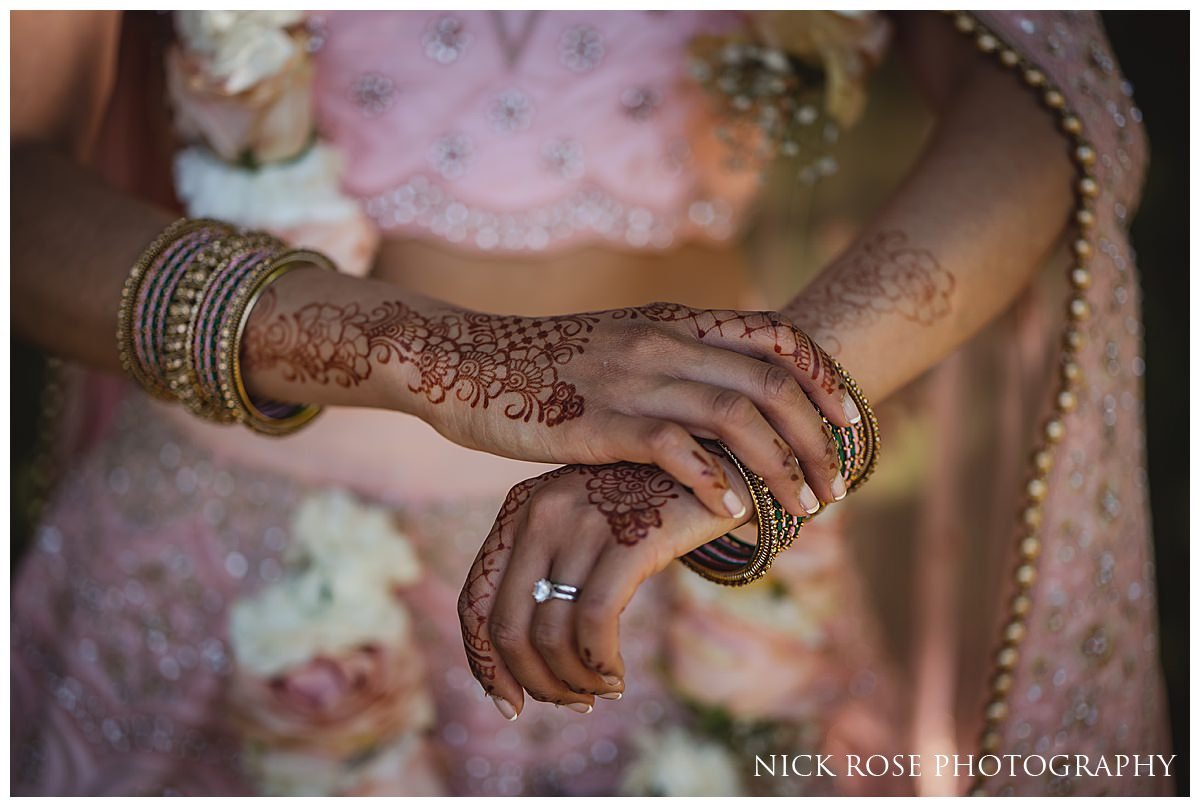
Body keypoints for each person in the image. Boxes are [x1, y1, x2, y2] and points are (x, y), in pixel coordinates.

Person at [11, 10, 1168, 796]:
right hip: (228, 548)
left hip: (689, 549)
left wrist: (733, 430)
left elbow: (1049, 106)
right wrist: (460, 359)